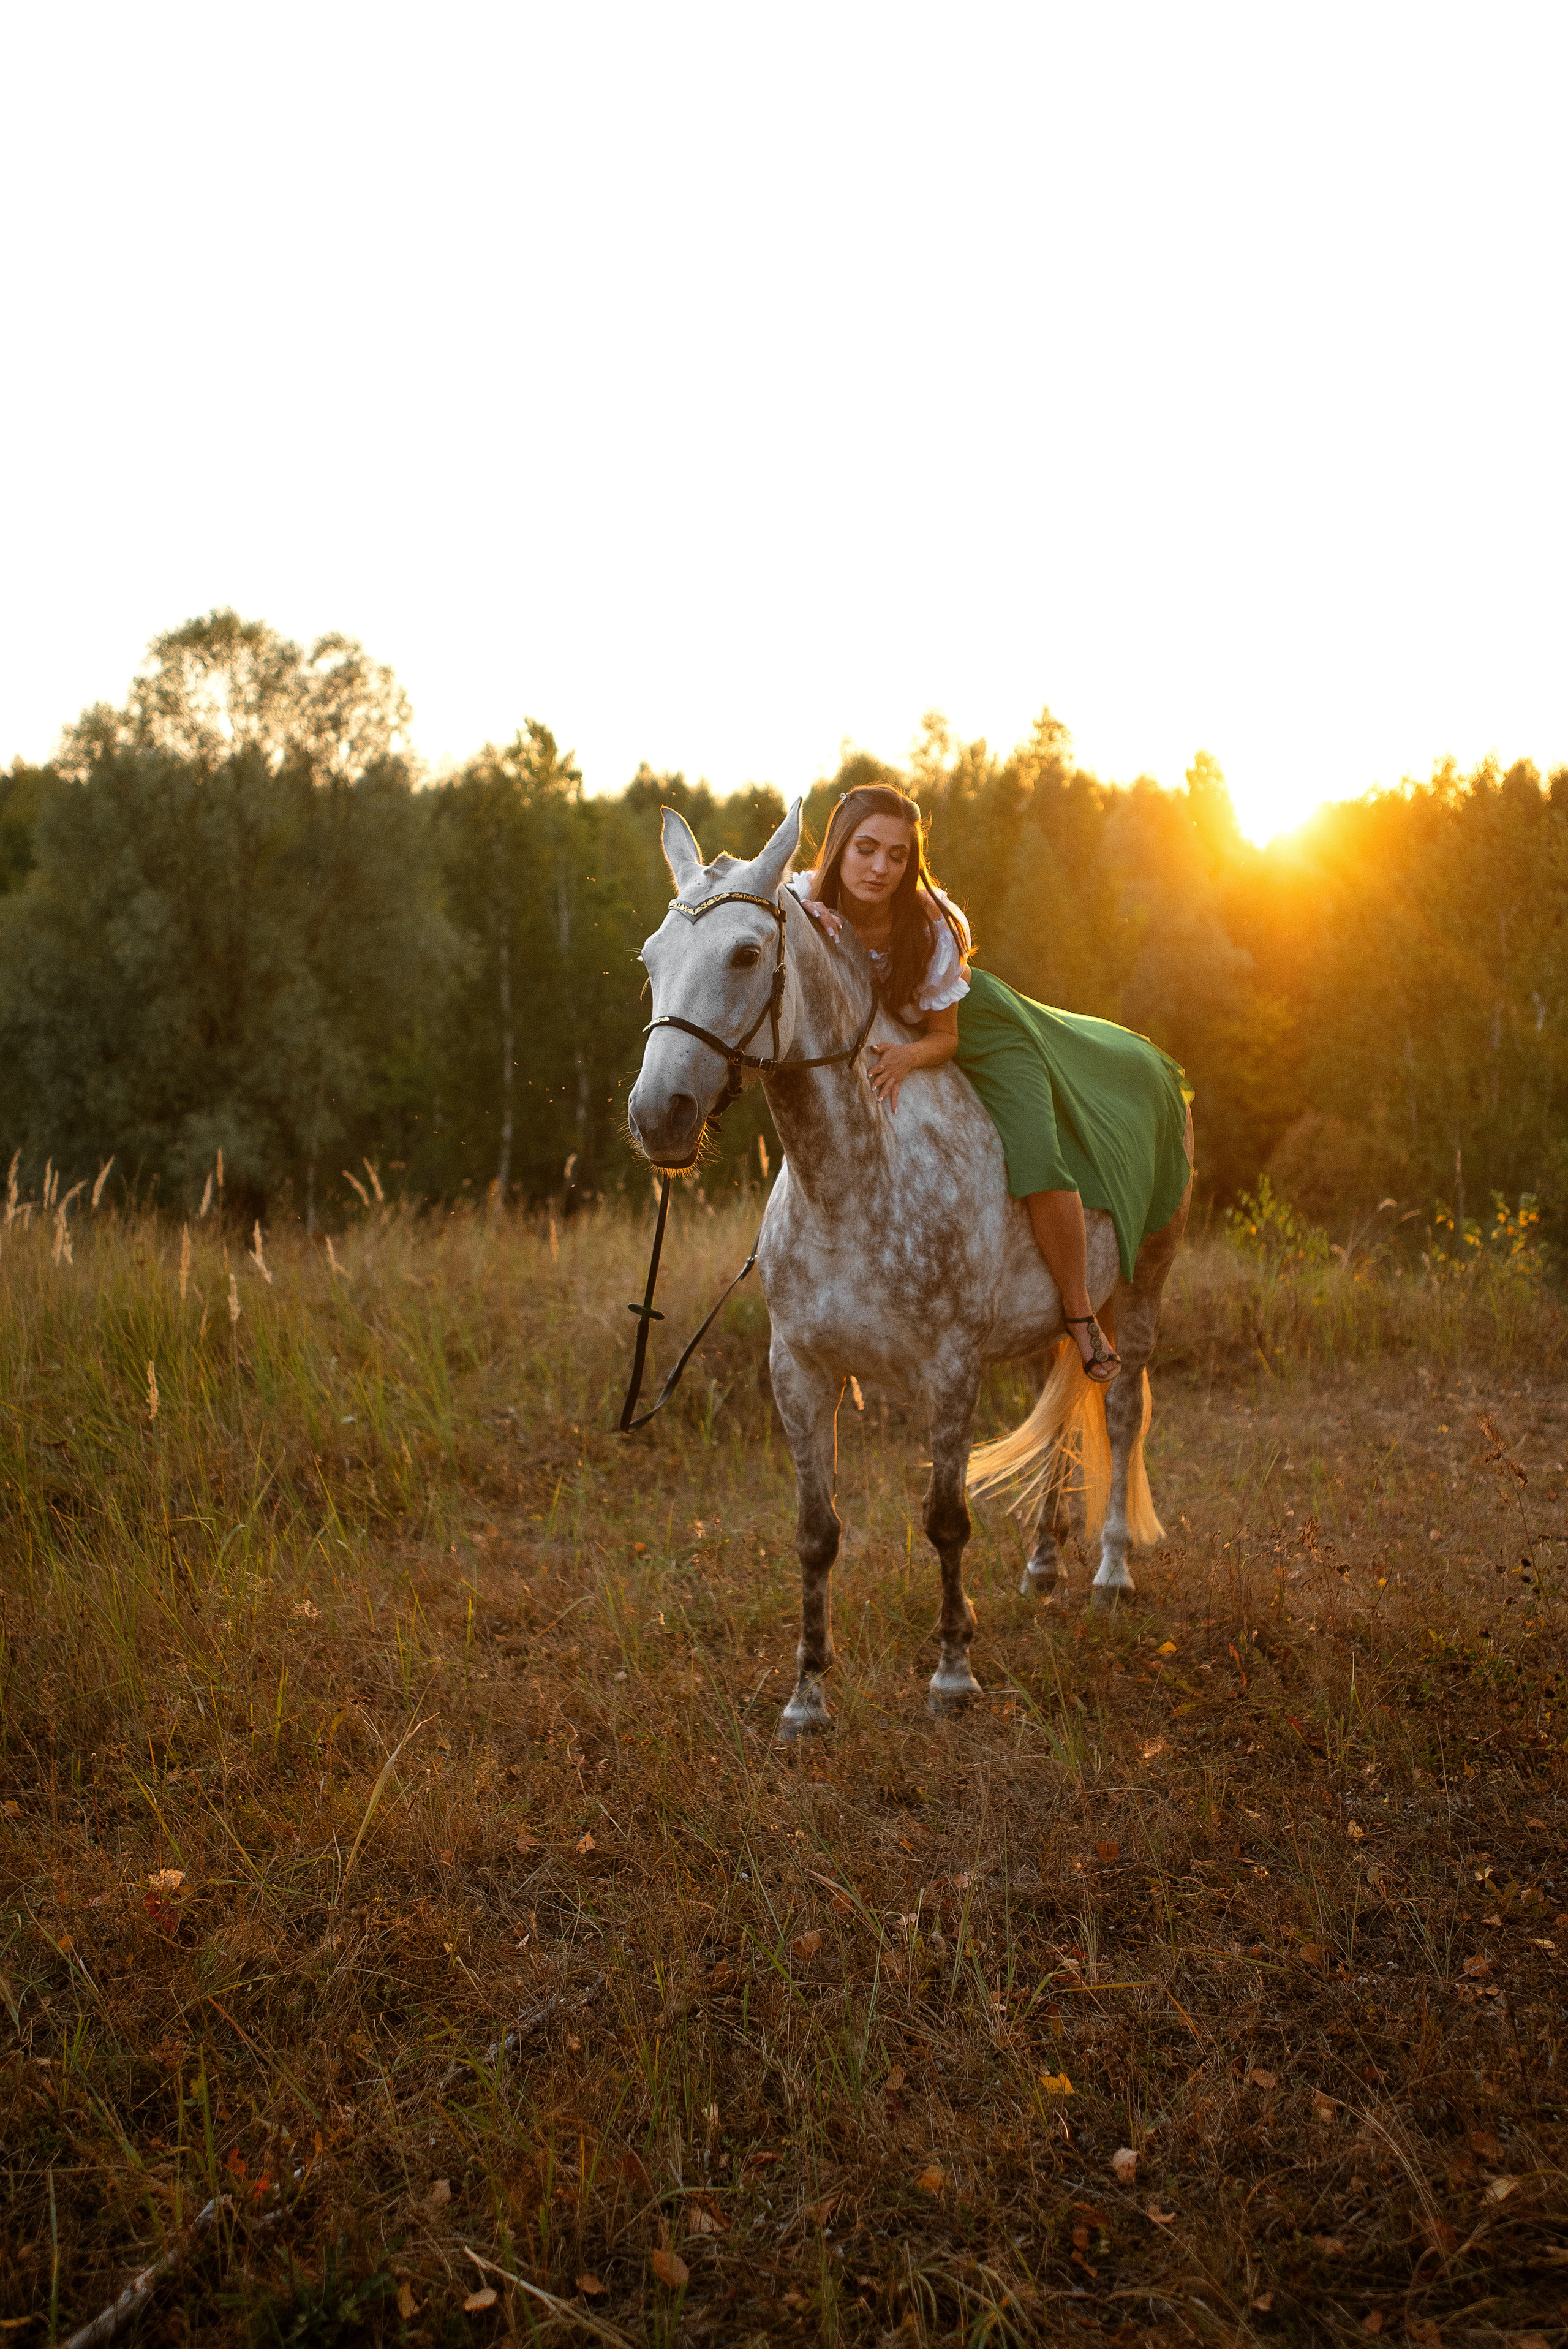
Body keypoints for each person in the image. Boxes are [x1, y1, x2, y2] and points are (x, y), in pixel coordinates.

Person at [789, 784, 1192, 1384]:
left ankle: (1080, 1312)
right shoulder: (802, 903)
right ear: (839, 846)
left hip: (977, 1030)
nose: (880, 869)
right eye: (866, 849)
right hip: (888, 1033)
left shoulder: (931, 924)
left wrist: (908, 1057)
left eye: (897, 856)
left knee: (1035, 1151)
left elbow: (945, 1037)